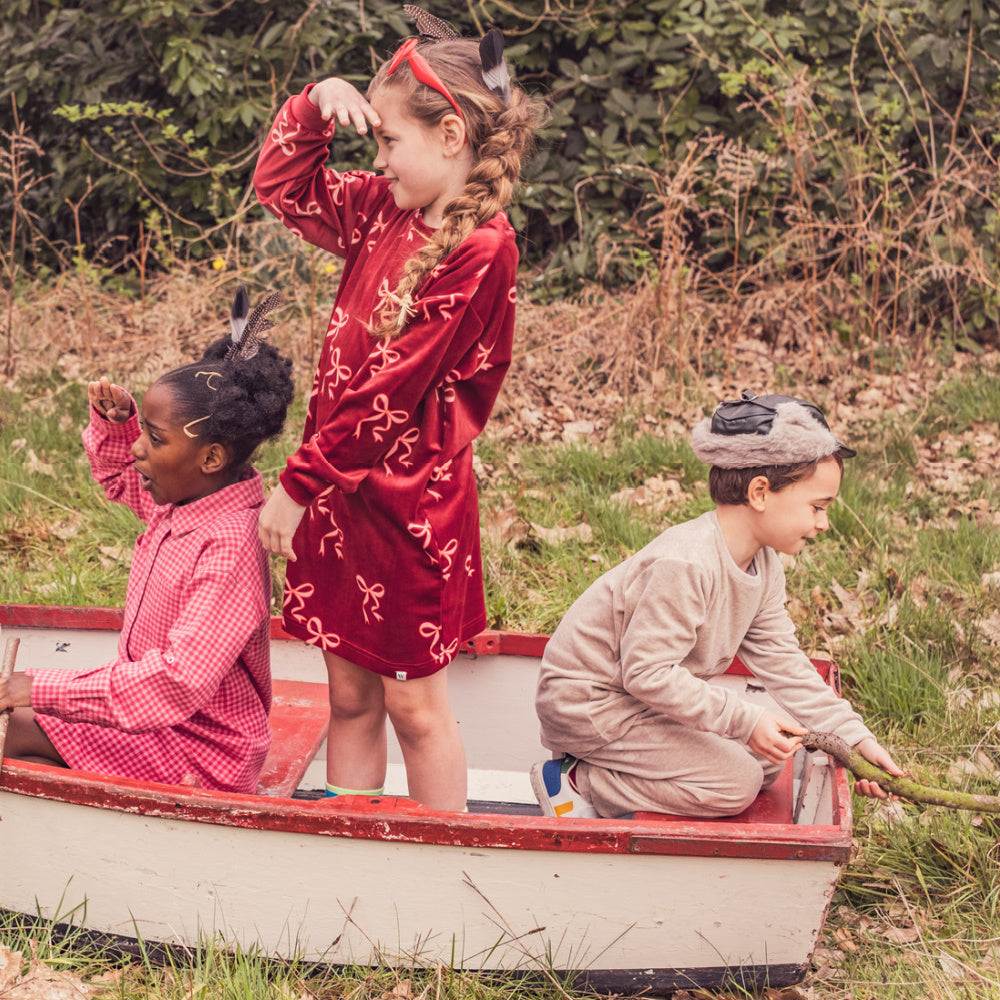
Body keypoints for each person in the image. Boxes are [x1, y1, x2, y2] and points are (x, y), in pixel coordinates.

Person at [251, 8, 545, 812]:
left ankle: (440, 863)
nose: (377, 160)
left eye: (387, 141)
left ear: (450, 136)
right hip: (340, 498)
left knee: (415, 708)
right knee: (350, 697)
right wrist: (315, 104)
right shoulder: (384, 207)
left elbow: (392, 388)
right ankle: (357, 849)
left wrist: (298, 483)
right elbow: (282, 189)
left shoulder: (481, 247)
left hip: (409, 508)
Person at [531, 390, 904, 819]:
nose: (824, 523)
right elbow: (646, 673)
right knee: (736, 783)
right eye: (817, 507)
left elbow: (784, 664)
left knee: (770, 756)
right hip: (592, 706)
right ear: (760, 492)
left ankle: (634, 773)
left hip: (644, 703)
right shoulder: (686, 563)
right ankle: (579, 781)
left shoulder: (764, 566)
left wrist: (855, 739)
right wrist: (744, 721)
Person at [0, 288, 295, 794]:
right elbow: (120, 477)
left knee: (19, 727)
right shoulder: (182, 501)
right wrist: (119, 426)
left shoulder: (229, 547)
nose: (138, 447)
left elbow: (177, 682)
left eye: (154, 438)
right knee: (25, 725)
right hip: (160, 725)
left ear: (211, 458)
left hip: (203, 753)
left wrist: (38, 687)